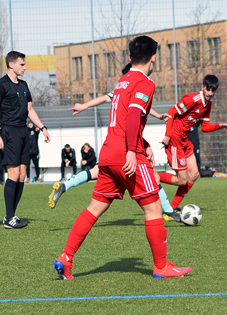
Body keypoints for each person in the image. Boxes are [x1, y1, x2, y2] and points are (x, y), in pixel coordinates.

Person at [53, 35, 191, 280]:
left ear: (130, 57)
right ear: (154, 58)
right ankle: (161, 266)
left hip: (108, 153)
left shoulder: (122, 82)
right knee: (154, 209)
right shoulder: (146, 82)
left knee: (94, 209)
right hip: (127, 155)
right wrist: (132, 149)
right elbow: (134, 116)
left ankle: (66, 258)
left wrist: (143, 143)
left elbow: (124, 118)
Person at [48, 67, 169, 209]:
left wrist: (84, 105)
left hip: (111, 143)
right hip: (125, 142)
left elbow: (107, 98)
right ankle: (169, 211)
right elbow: (137, 110)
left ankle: (65, 184)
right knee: (152, 174)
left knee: (96, 171)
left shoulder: (121, 91)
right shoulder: (131, 90)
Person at [158, 75, 227, 222]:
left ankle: (171, 210)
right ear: (202, 87)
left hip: (185, 140)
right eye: (208, 89)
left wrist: (219, 126)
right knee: (182, 180)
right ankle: (153, 176)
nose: (210, 93)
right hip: (174, 139)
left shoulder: (208, 105)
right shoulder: (192, 99)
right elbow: (171, 112)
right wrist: (167, 135)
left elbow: (204, 128)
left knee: (194, 174)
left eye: (213, 91)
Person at [0, 50, 51, 229]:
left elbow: (30, 110)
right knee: (14, 175)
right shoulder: (0, 85)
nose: (25, 67)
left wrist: (42, 127)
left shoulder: (23, 86)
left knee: (22, 176)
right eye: (22, 64)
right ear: (11, 64)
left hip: (24, 131)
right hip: (9, 131)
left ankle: (11, 216)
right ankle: (9, 217)